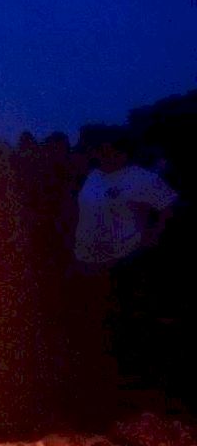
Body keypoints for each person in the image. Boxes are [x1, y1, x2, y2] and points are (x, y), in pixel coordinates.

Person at [73, 137, 178, 397]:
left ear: (121, 153)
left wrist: (152, 237)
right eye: (100, 151)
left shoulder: (140, 178)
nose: (102, 155)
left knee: (129, 316)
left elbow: (169, 205)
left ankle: (138, 377)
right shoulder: (94, 177)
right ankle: (104, 371)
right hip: (90, 260)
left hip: (125, 259)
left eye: (108, 150)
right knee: (99, 317)